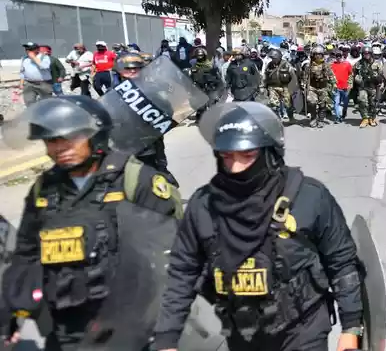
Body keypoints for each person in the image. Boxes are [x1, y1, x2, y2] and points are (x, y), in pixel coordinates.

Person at [153, 102, 363, 351]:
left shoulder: (310, 197)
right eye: (227, 156)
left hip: (303, 329)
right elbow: (182, 272)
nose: (235, 167)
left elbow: (341, 262)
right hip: (241, 331)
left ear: (271, 154)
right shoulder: (203, 205)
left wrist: (351, 328)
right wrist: (167, 337)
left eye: (248, 156)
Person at [0, 95, 182, 349]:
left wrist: (166, 334)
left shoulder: (135, 181)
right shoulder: (45, 190)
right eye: (51, 140)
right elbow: (26, 256)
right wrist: (11, 314)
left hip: (130, 327)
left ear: (95, 134)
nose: (59, 148)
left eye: (70, 137)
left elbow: (171, 262)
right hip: (66, 329)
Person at [114, 53, 177, 182]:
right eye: (128, 68)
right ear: (120, 70)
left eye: (136, 68)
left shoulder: (151, 89)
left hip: (149, 143)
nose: (132, 71)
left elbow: (168, 110)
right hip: (124, 145)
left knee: (158, 176)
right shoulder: (114, 92)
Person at [189, 47, 225, 122]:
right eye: (198, 56)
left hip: (210, 87)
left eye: (201, 55)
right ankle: (200, 118)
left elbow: (217, 78)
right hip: (199, 88)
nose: (200, 57)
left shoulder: (211, 66)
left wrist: (217, 88)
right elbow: (191, 79)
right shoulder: (194, 67)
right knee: (200, 105)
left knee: (212, 104)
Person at [302, 46, 335, 129]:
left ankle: (321, 120)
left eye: (319, 54)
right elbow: (305, 77)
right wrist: (304, 85)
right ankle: (313, 118)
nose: (317, 56)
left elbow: (332, 77)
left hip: (323, 87)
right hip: (312, 87)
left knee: (322, 105)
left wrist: (334, 85)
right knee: (311, 102)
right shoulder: (308, 66)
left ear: (322, 55)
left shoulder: (326, 65)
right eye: (316, 54)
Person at [353, 46, 385, 128]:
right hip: (363, 86)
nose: (366, 55)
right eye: (364, 53)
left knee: (373, 103)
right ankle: (365, 118)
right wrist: (356, 79)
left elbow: (381, 75)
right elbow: (354, 74)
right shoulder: (358, 63)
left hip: (374, 87)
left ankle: (372, 118)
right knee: (362, 101)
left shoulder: (377, 64)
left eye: (368, 53)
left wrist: (381, 83)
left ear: (371, 54)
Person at [264, 49, 297, 121]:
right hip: (273, 87)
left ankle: (291, 118)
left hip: (285, 87)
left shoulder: (286, 64)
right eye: (272, 58)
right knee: (274, 104)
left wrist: (293, 88)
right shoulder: (269, 65)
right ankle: (277, 119)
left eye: (274, 58)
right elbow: (265, 75)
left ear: (279, 57)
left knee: (288, 104)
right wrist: (264, 86)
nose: (273, 60)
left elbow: (293, 76)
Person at [19, 42, 53, 106]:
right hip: (29, 83)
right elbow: (22, 72)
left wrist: (34, 58)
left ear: (37, 49)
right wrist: (21, 84)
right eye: (26, 49)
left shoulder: (44, 57)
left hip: (43, 83)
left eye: (30, 49)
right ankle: (32, 114)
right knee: (29, 102)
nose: (28, 50)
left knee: (46, 103)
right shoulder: (24, 58)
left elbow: (44, 66)